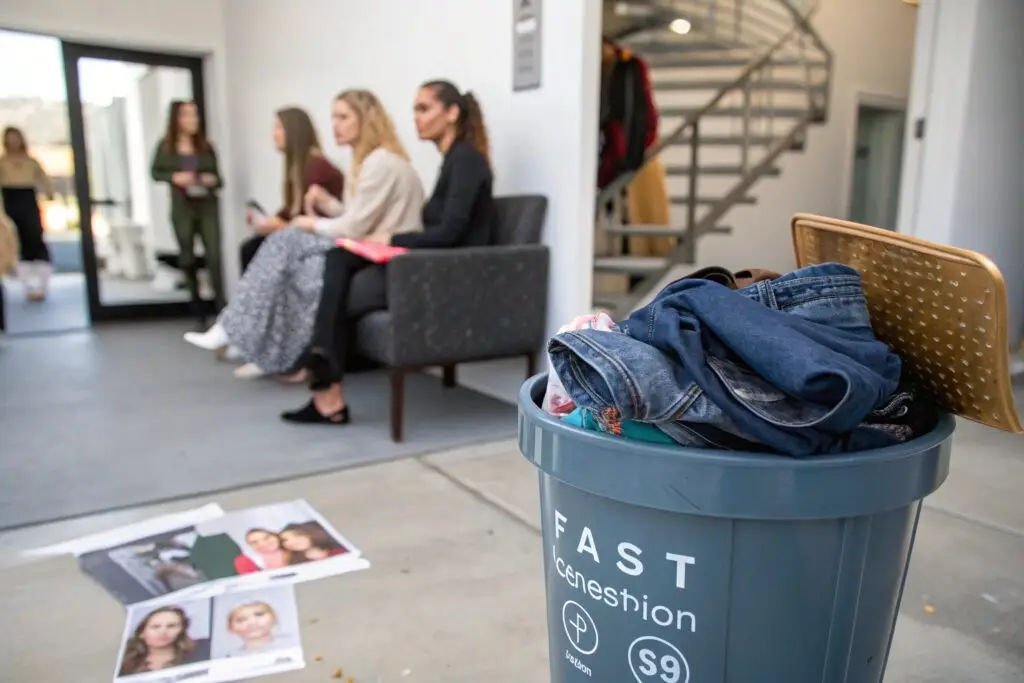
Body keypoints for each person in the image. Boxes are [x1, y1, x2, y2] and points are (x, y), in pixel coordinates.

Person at [281, 80, 495, 425]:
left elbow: (451, 233)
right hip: (432, 264)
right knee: (338, 260)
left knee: (336, 282)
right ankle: (324, 379)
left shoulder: (466, 160)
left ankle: (325, 384)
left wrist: (393, 238)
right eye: (414, 109)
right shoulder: (453, 160)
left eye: (424, 109)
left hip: (451, 272)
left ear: (452, 113)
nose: (416, 118)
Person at [183, 90, 423, 380]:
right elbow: (357, 215)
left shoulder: (378, 163)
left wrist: (309, 223)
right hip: (366, 250)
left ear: (366, 120)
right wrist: (328, 205)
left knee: (290, 244)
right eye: (334, 117)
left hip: (388, 260)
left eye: (344, 117)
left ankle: (244, 335)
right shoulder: (366, 161)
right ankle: (256, 342)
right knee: (289, 248)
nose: (335, 124)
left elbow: (355, 226)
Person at [239, 107, 344, 273]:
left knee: (252, 249)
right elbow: (291, 209)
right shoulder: (300, 166)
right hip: (307, 233)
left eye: (279, 128)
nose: (274, 134)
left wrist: (278, 224)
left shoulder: (317, 166)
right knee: (252, 247)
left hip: (324, 238)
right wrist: (267, 222)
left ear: (294, 132)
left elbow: (308, 216)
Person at [151, 100, 224, 318]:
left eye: (195, 115)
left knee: (214, 256)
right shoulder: (165, 147)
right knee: (188, 257)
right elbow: (155, 172)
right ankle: (197, 309)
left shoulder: (206, 146)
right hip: (182, 208)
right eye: (187, 115)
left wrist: (211, 180)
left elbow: (220, 180)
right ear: (176, 119)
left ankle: (221, 308)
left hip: (207, 207)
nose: (193, 120)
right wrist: (175, 177)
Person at [0, 127, 54, 302]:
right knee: (18, 244)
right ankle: (27, 286)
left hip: (28, 201)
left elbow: (44, 179)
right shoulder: (3, 162)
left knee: (35, 238)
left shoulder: (31, 162)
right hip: (10, 201)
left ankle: (42, 284)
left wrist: (49, 192)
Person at [118, 606, 205, 676]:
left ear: (182, 630)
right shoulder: (125, 661)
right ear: (142, 633)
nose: (163, 632)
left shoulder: (199, 654)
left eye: (171, 626)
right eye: (155, 627)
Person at [224, 600, 299, 656]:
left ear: (274, 617)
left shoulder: (293, 643)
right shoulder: (232, 656)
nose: (252, 622)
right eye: (241, 619)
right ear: (231, 628)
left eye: (259, 614)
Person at [279, 523, 348, 563]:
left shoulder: (340, 546)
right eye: (284, 541)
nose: (291, 542)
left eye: (297, 535)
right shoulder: (297, 562)